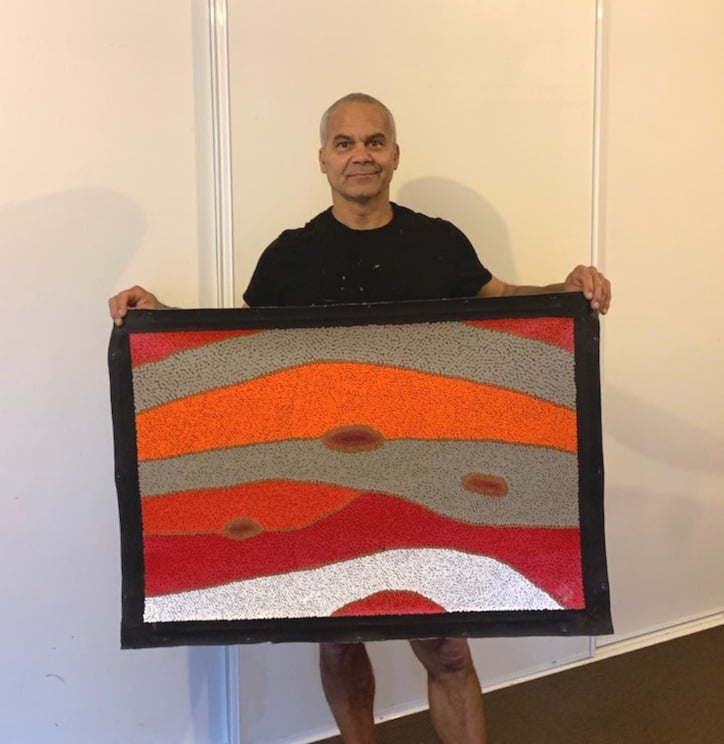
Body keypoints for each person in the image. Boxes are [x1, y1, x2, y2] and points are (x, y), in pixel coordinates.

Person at [109, 92, 611, 744]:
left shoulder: (438, 242)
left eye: (374, 142)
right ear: (322, 158)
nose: (361, 156)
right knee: (340, 643)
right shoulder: (290, 256)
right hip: (324, 482)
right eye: (344, 143)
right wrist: (158, 318)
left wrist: (564, 290)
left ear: (395, 154)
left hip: (429, 481)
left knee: (447, 649)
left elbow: (504, 305)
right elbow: (238, 353)